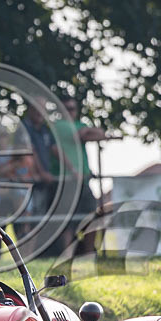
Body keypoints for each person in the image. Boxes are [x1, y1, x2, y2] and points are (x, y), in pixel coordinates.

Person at [52, 96, 108, 253]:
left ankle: (89, 254)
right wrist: (85, 131)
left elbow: (101, 134)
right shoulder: (59, 126)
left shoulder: (78, 125)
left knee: (91, 216)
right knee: (67, 222)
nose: (70, 112)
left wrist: (85, 131)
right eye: (67, 109)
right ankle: (66, 255)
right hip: (67, 182)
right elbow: (80, 136)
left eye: (73, 108)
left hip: (83, 181)